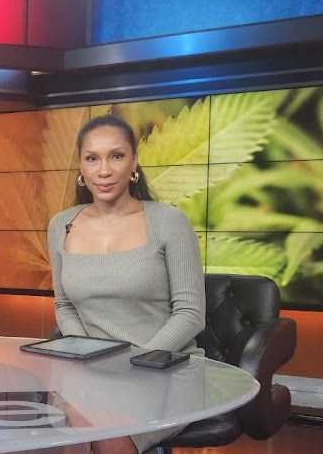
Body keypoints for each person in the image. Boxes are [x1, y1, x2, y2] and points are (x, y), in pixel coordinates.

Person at [48, 114, 205, 454]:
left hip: (161, 370)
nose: (104, 170)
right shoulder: (61, 225)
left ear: (133, 162)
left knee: (110, 436)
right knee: (72, 432)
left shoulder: (169, 221)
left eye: (116, 156)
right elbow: (64, 305)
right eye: (92, 158)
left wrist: (135, 363)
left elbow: (190, 314)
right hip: (89, 370)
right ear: (81, 166)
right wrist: (88, 358)